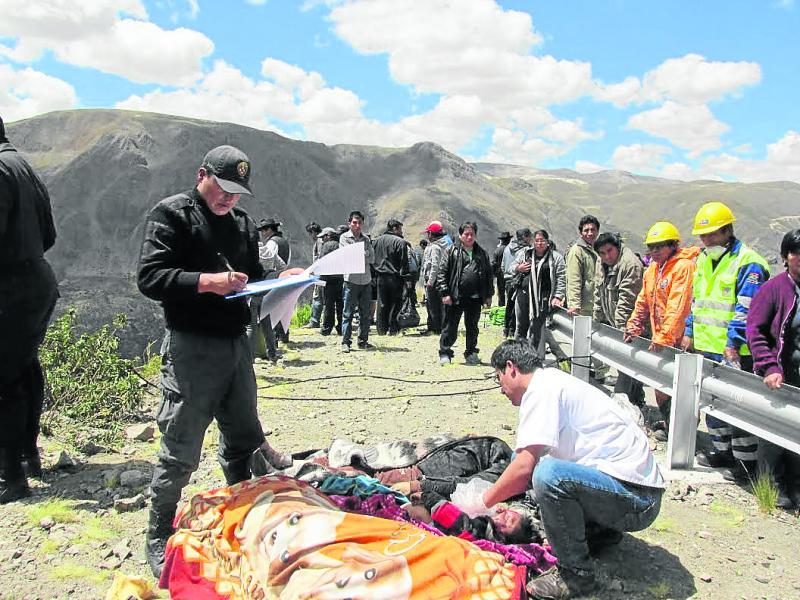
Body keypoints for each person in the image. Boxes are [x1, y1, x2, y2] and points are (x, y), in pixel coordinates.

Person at [136, 145, 302, 577]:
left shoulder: (242, 224)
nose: (228, 198)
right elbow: (150, 277)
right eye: (222, 188)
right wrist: (207, 282)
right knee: (181, 446)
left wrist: (281, 280)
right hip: (191, 348)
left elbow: (252, 277)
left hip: (236, 345)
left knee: (243, 435)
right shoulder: (171, 215)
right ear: (201, 176)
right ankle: (158, 532)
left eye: (236, 192)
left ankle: (241, 513)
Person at [480, 341, 665, 599]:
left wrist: (482, 503)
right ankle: (598, 532)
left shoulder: (541, 390)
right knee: (534, 465)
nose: (501, 388)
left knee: (548, 475)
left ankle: (575, 575)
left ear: (511, 368)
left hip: (637, 499)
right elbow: (522, 460)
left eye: (498, 377)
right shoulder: (551, 382)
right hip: (631, 491)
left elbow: (524, 469)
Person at [681, 201, 770, 480]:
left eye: (711, 234)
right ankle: (722, 452)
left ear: (727, 231)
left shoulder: (748, 263)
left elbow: (747, 309)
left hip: (736, 351)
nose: (706, 240)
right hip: (707, 347)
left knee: (738, 407)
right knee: (712, 404)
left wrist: (732, 342)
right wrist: (689, 331)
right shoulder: (703, 260)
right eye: (702, 236)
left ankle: (746, 464)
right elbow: (697, 301)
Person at [0, 116, 59, 503]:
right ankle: (27, 455)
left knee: (4, 379)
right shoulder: (22, 166)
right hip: (36, 279)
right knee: (24, 367)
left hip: (9, 286)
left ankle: (10, 477)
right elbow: (49, 234)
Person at [625, 222, 699, 439]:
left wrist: (665, 337)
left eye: (660, 246)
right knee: (661, 386)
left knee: (682, 388)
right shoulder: (653, 269)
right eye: (652, 247)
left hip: (680, 339)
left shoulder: (683, 267)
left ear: (673, 245)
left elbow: (678, 306)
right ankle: (670, 425)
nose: (655, 251)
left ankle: (683, 434)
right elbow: (643, 301)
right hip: (661, 337)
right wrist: (634, 324)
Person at [746, 229, 800, 508]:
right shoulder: (773, 289)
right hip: (781, 372)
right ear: (785, 257)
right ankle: (770, 485)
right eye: (796, 253)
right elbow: (755, 331)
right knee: (774, 430)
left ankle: (796, 484)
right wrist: (769, 366)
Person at [593, 232, 645, 406]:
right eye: (602, 253)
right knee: (629, 368)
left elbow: (627, 302)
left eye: (610, 251)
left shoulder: (630, 265)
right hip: (613, 322)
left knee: (628, 368)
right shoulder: (601, 263)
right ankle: (636, 401)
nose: (607, 256)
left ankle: (626, 403)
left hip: (631, 326)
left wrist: (621, 330)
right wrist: (597, 320)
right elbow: (598, 292)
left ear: (617, 247)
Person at [437, 221, 494, 365]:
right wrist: (445, 293)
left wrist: (488, 295)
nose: (469, 237)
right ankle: (445, 353)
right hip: (455, 297)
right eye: (466, 234)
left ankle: (471, 353)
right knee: (450, 326)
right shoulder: (451, 251)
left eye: (472, 234)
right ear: (460, 235)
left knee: (473, 327)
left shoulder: (482, 253)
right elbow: (442, 273)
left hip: (475, 297)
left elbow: (488, 275)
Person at [565, 215, 608, 383]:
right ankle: (589, 372)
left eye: (593, 230)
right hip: (584, 305)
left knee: (597, 339)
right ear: (581, 232)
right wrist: (574, 304)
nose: (590, 233)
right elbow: (574, 279)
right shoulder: (577, 251)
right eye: (586, 230)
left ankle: (597, 372)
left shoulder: (599, 249)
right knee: (586, 339)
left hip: (598, 303)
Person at [511, 230, 566, 357]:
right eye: (537, 240)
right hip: (523, 295)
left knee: (536, 328)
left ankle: (532, 357)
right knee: (520, 327)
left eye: (542, 240)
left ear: (547, 242)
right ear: (533, 242)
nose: (539, 243)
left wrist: (558, 296)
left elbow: (561, 278)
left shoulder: (555, 257)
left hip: (542, 299)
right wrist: (518, 268)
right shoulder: (525, 254)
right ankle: (517, 356)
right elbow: (510, 267)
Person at [248, 219, 287, 362]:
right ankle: (272, 354)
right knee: (267, 324)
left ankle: (250, 357)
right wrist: (271, 274)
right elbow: (282, 266)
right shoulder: (269, 250)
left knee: (250, 325)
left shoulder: (250, 252)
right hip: (267, 291)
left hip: (252, 291)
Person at [339, 210, 375, 352]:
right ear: (349, 223)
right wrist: (363, 254)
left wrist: (359, 255)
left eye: (360, 222)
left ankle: (363, 341)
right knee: (348, 313)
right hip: (351, 280)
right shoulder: (344, 238)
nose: (357, 225)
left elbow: (372, 258)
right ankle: (345, 342)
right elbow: (346, 256)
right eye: (354, 222)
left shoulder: (366, 239)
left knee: (365, 314)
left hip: (365, 280)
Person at [373, 219, 409, 335]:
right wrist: (406, 279)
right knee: (396, 303)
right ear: (395, 229)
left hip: (380, 277)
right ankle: (393, 329)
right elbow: (404, 263)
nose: (401, 231)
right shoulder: (400, 242)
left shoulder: (376, 241)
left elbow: (372, 259)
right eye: (400, 229)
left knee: (382, 303)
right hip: (395, 277)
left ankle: (381, 329)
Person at [260, 218, 292, 343]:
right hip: (284, 275)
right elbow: (285, 263)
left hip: (273, 278)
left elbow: (270, 260)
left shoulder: (272, 243)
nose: (262, 233)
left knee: (272, 308)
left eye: (263, 230)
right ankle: (284, 334)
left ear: (269, 230)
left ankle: (275, 337)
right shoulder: (284, 241)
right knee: (283, 307)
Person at [502, 228, 531, 338]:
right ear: (525, 237)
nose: (531, 239)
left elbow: (503, 266)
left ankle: (505, 329)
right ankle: (512, 330)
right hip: (518, 281)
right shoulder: (525, 250)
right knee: (518, 308)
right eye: (529, 236)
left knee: (509, 305)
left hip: (507, 280)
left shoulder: (507, 248)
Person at [421, 221, 449, 334]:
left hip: (434, 281)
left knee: (433, 305)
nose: (427, 236)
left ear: (432, 234)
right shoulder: (444, 245)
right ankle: (438, 327)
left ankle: (435, 328)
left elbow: (435, 265)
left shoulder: (435, 247)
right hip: (439, 279)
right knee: (438, 305)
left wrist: (430, 281)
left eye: (428, 233)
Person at [318, 227, 344, 336]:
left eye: (323, 237)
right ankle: (341, 328)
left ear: (328, 236)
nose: (322, 240)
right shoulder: (341, 244)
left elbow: (321, 261)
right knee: (341, 304)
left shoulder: (326, 246)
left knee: (329, 305)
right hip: (341, 278)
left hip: (329, 279)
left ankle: (327, 328)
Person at [304, 222, 324, 328]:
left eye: (310, 233)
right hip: (322, 273)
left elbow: (319, 258)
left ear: (313, 232)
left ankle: (315, 321)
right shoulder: (321, 241)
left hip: (320, 274)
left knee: (317, 297)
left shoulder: (319, 241)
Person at [492, 231, 512, 307]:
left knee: (501, 293)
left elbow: (494, 263)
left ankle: (501, 307)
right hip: (511, 275)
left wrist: (494, 275)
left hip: (500, 275)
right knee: (510, 294)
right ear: (509, 240)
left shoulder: (498, 250)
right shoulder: (512, 250)